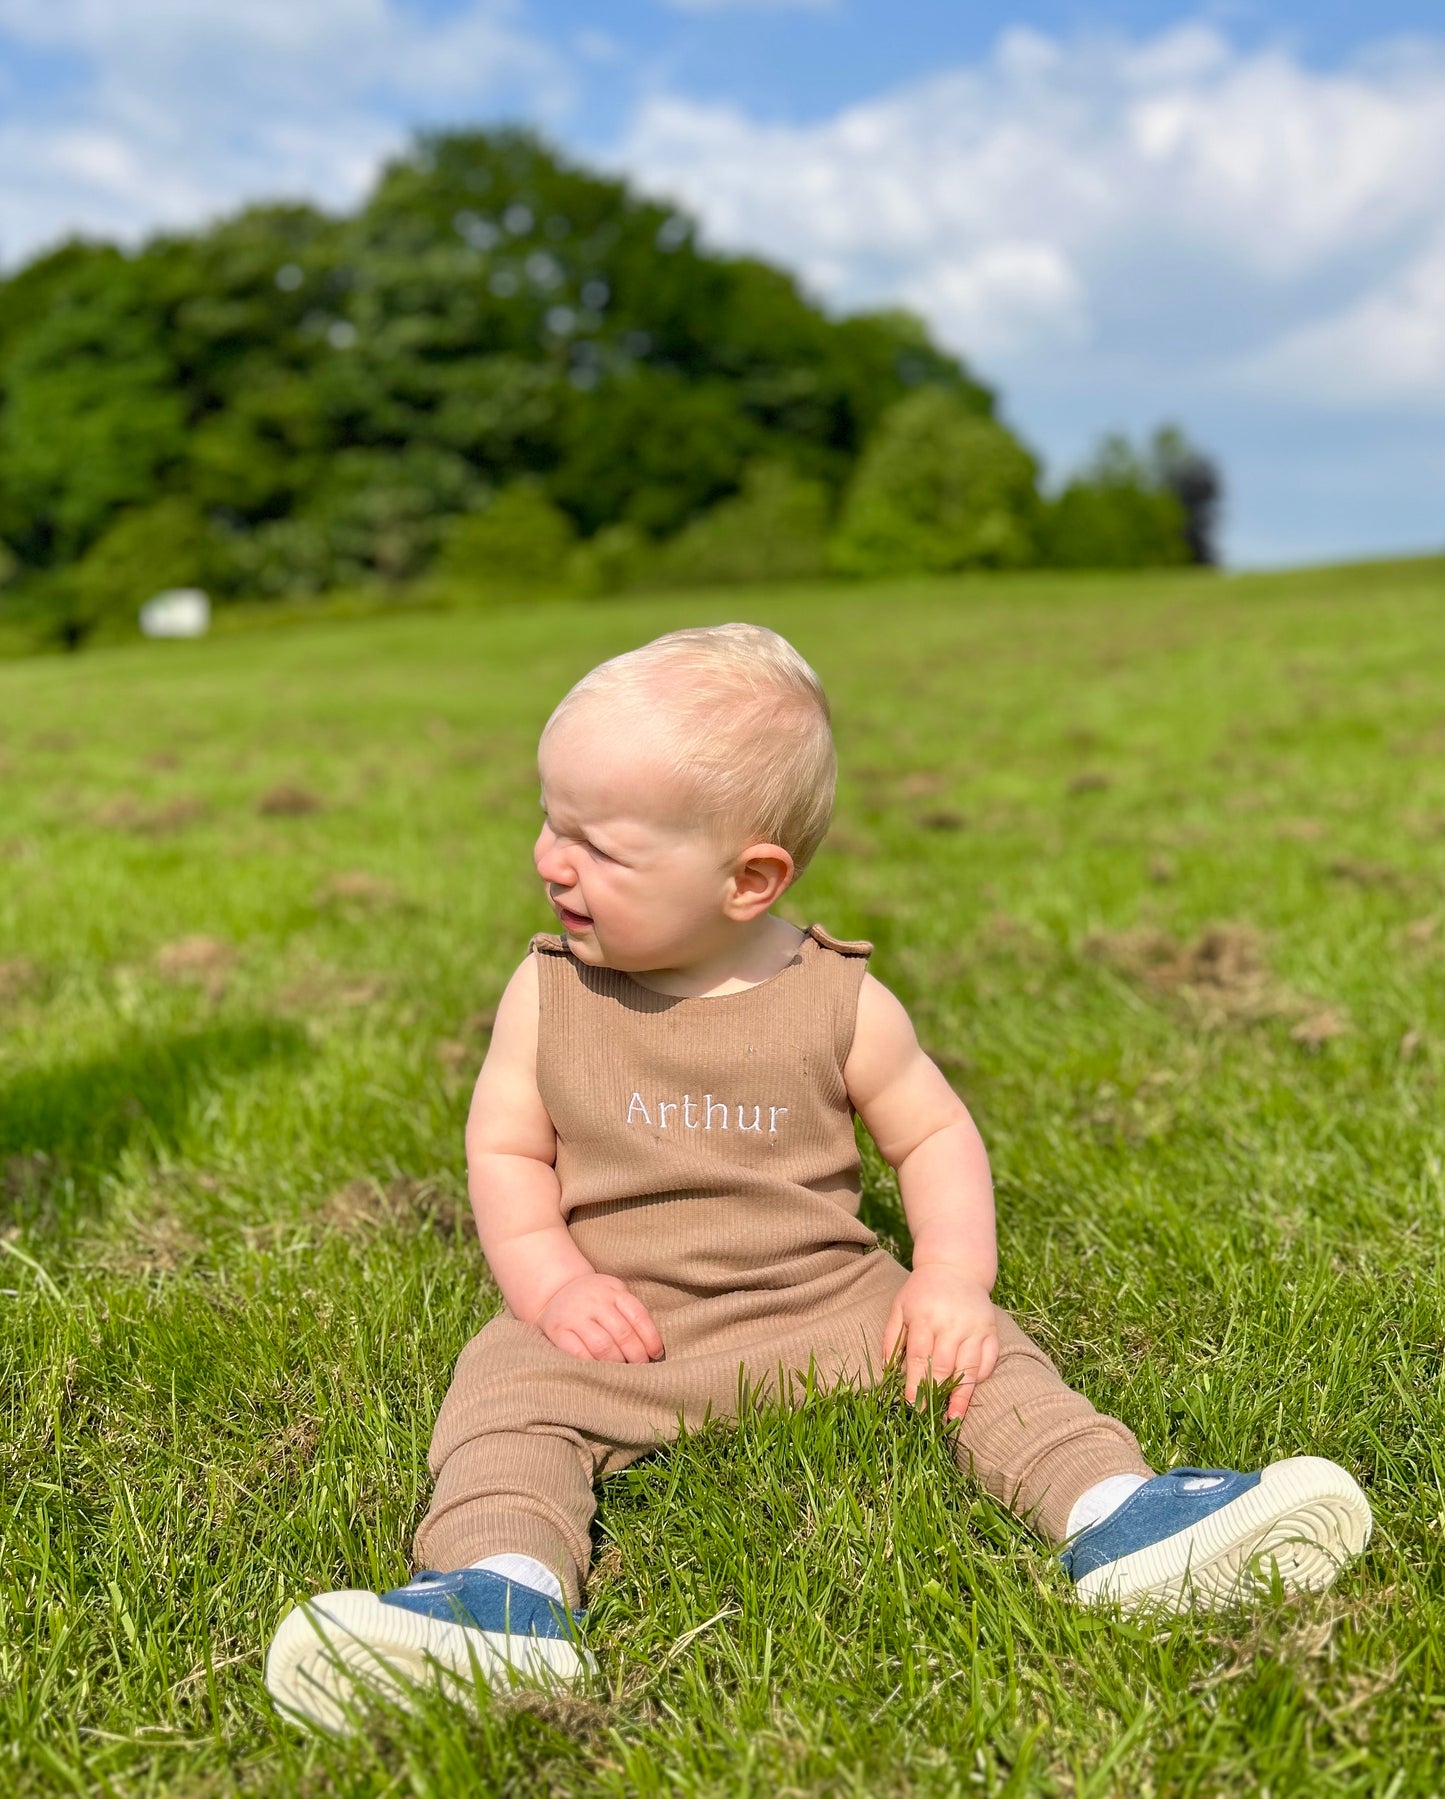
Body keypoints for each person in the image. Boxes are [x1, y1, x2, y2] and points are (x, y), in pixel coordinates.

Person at [266, 623, 1372, 1732]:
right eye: (551, 822)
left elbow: (932, 1135)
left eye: (599, 845)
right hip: (619, 1322)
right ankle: (497, 1595)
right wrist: (550, 1284)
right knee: (503, 1398)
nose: (551, 859)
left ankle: (1118, 1512)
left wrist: (945, 1276)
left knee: (976, 1354)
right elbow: (505, 1151)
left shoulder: (837, 1000)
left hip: (824, 1303)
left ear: (749, 878)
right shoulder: (547, 992)